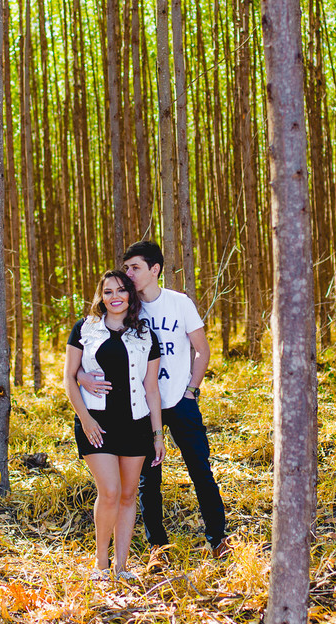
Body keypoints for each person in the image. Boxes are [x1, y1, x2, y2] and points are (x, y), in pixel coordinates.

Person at [80, 240, 228, 557]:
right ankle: (157, 547)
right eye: (127, 267)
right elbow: (89, 352)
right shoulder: (126, 308)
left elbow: (202, 350)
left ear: (154, 270)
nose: (128, 274)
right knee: (148, 482)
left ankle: (217, 539)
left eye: (135, 267)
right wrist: (81, 377)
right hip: (143, 409)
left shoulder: (179, 304)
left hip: (180, 403)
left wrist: (191, 391)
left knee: (201, 472)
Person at [63, 269, 166, 580]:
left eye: (121, 290)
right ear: (101, 296)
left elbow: (151, 387)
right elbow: (69, 377)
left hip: (136, 424)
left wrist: (158, 435)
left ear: (130, 295)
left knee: (128, 493)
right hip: (98, 423)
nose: (115, 297)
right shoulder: (84, 329)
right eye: (108, 292)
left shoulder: (146, 335)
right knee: (109, 491)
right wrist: (86, 419)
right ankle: (101, 564)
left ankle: (122, 567)